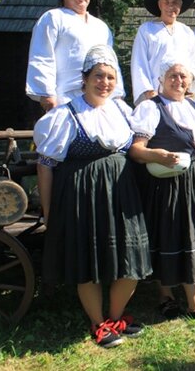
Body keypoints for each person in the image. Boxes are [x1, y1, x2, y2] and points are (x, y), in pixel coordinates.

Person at [34, 45, 151, 348]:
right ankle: (98, 323)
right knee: (89, 261)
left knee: (131, 258)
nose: (105, 83)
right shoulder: (66, 114)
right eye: (98, 76)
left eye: (110, 77)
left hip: (121, 195)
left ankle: (115, 317)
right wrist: (49, 212)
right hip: (82, 196)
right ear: (84, 78)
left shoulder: (123, 112)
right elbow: (46, 166)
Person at [129, 57, 195, 324]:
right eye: (173, 75)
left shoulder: (192, 107)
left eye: (184, 76)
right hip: (165, 183)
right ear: (160, 79)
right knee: (168, 236)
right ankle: (165, 296)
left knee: (191, 237)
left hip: (194, 181)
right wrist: (156, 155)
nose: (179, 81)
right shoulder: (150, 107)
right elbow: (136, 150)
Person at [26, 0, 124, 111]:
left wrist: (117, 94)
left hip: (99, 95)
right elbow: (42, 55)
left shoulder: (101, 27)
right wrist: (46, 93)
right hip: (65, 95)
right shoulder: (53, 18)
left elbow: (111, 63)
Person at [131, 0, 195, 105]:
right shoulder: (147, 30)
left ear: (181, 5)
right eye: (166, 2)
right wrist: (148, 91)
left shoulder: (187, 32)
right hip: (156, 96)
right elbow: (139, 64)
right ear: (159, 4)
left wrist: (189, 84)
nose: (170, 6)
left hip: (182, 95)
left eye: (175, 2)